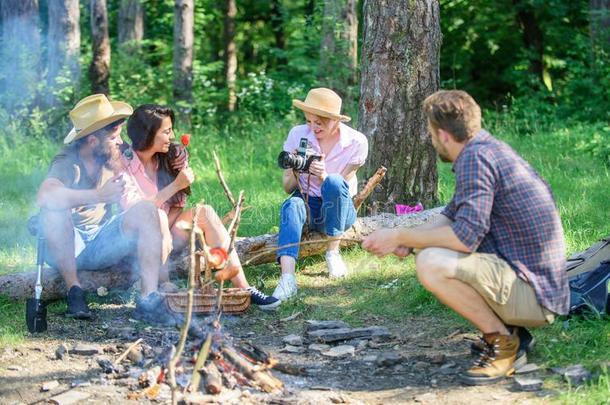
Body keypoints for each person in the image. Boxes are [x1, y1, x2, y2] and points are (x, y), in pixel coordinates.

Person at [362, 90, 569, 385]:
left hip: (535, 295)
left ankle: (503, 344)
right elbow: (449, 216)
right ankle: (516, 336)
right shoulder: (483, 150)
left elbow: (464, 238)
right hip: (531, 284)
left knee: (433, 262)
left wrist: (399, 234)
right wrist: (405, 240)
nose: (432, 140)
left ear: (444, 135)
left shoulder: (477, 159)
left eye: (432, 134)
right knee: (427, 252)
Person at [120, 104, 280, 310]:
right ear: (148, 134)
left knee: (206, 212)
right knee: (154, 215)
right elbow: (137, 211)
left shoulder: (166, 158)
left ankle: (244, 288)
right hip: (137, 239)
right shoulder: (126, 163)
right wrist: (176, 185)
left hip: (167, 230)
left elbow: (176, 207)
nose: (172, 135)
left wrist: (177, 193)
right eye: (167, 131)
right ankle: (150, 292)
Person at [36, 94, 178, 324]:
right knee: (53, 210)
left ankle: (148, 298)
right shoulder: (67, 162)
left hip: (100, 243)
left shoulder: (112, 158)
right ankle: (75, 290)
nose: (120, 142)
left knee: (148, 210)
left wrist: (160, 223)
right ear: (93, 141)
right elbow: (45, 195)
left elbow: (138, 201)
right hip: (68, 248)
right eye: (114, 137)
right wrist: (97, 195)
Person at [272, 88, 368, 301]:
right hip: (308, 204)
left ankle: (333, 253)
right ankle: (287, 279)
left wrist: (323, 175)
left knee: (333, 181)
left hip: (340, 210)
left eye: (319, 123)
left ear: (335, 120)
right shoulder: (298, 135)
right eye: (308, 121)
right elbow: (287, 187)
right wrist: (296, 169)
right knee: (290, 205)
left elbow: (341, 186)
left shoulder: (356, 142)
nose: (313, 128)